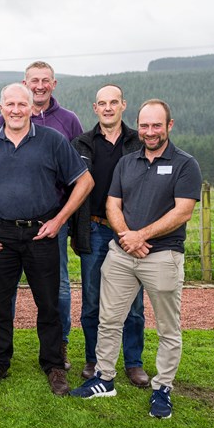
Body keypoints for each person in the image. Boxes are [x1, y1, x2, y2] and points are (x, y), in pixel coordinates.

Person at [0, 83, 93, 395]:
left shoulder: (52, 140)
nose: (16, 110)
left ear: (32, 108)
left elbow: (84, 181)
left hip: (41, 232)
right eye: (10, 104)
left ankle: (54, 365)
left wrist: (60, 220)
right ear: (1, 108)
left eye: (22, 104)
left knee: (48, 304)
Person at [71, 99, 202, 419]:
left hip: (163, 255)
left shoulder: (186, 164)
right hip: (121, 253)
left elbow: (182, 210)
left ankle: (163, 388)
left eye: (157, 125)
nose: (150, 131)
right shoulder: (127, 163)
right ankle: (104, 378)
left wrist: (140, 236)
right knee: (109, 318)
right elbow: (113, 204)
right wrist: (128, 237)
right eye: (144, 125)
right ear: (138, 126)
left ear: (169, 126)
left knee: (168, 327)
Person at [0, 61, 84, 370]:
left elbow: (79, 172)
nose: (39, 85)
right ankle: (0, 355)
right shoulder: (7, 117)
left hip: (53, 219)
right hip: (10, 223)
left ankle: (59, 347)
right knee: (4, 289)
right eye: (34, 80)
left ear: (54, 84)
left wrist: (63, 218)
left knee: (56, 289)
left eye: (45, 80)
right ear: (25, 82)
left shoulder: (69, 121)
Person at [70, 84, 148, 386]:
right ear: (95, 108)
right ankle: (94, 359)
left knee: (133, 302)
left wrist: (139, 231)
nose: (108, 108)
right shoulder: (82, 144)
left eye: (113, 102)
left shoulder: (138, 142)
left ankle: (133, 362)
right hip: (93, 228)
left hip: (130, 232)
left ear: (123, 106)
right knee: (92, 301)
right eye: (102, 103)